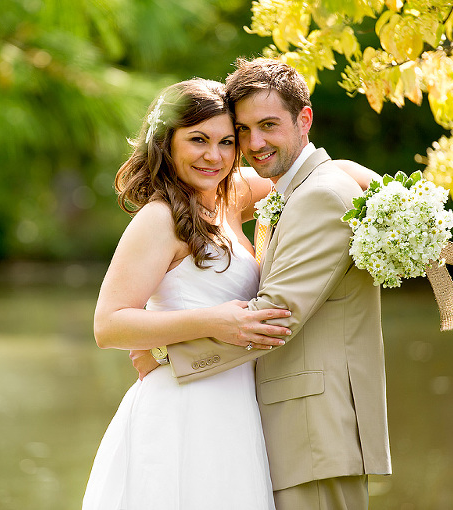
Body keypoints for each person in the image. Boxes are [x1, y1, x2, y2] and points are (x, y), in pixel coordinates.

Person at [83, 77, 379, 510]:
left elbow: (330, 174)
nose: (214, 155)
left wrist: (398, 205)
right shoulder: (158, 219)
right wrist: (210, 323)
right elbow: (107, 325)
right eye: (198, 140)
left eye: (227, 141)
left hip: (239, 405)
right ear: (167, 142)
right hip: (185, 407)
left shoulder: (229, 194)